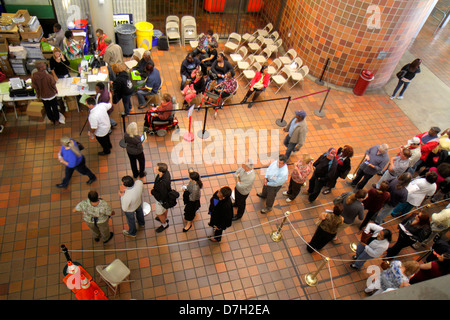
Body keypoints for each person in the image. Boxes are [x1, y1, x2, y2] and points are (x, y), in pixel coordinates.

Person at [151, 163, 172, 233]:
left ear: (160, 171)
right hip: (166, 198)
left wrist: (153, 192)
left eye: (156, 168)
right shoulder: (166, 173)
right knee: (165, 209)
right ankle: (165, 218)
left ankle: (164, 224)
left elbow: (161, 196)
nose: (155, 169)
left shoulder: (163, 183)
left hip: (161, 200)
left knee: (159, 213)